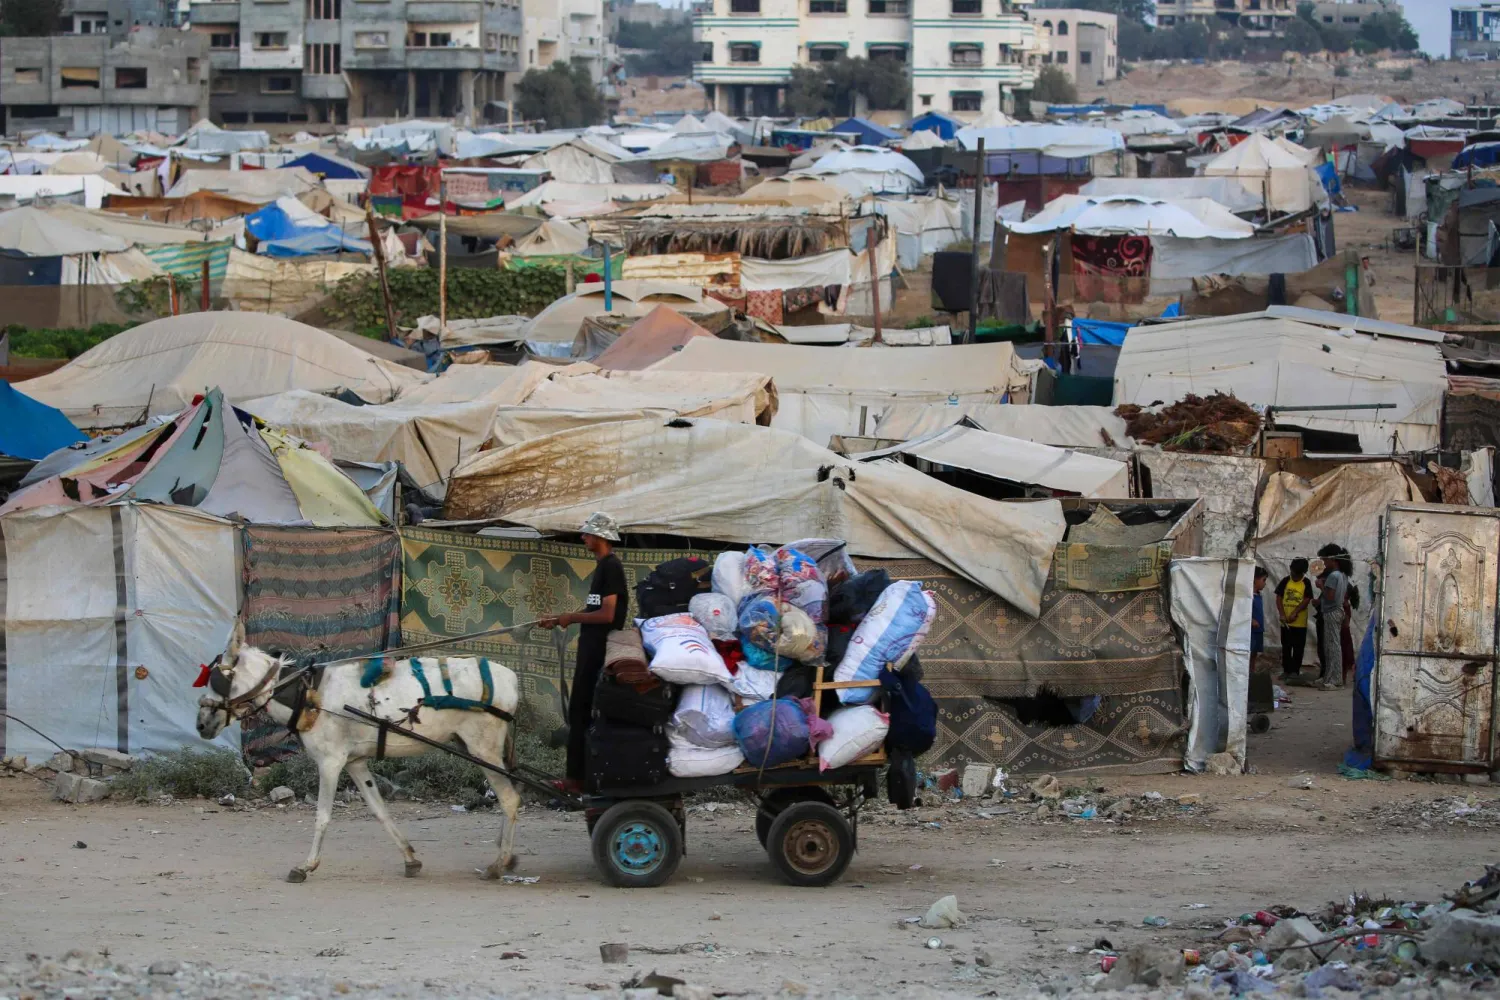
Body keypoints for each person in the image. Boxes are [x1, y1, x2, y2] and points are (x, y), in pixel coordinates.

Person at [538, 512, 629, 793]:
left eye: (588, 533)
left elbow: (608, 614)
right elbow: (594, 610)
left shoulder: (610, 568)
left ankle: (577, 781)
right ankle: (581, 778)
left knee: (581, 713)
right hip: (591, 648)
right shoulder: (602, 567)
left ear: (601, 537)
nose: (583, 537)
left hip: (599, 651)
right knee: (580, 713)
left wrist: (571, 618)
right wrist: (559, 618)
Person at [1274, 558, 1313, 683]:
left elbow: (1306, 600)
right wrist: (1282, 614)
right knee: (1286, 647)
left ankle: (1295, 671)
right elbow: (1279, 598)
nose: (1295, 576)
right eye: (1293, 573)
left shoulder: (1306, 582)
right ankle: (1286, 670)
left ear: (1304, 573)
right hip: (1285, 623)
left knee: (1298, 648)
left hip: (1299, 623)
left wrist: (1295, 612)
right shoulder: (1286, 581)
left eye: (1298, 574)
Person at [1317, 553, 1350, 690]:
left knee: (1332, 646)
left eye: (1325, 560)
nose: (1324, 563)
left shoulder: (1333, 576)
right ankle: (1329, 677)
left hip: (1332, 611)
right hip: (1338, 610)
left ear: (1333, 560)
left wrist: (1321, 586)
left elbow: (1330, 596)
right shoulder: (1343, 575)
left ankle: (1335, 680)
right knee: (1332, 645)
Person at [1251, 566, 1268, 664]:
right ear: (1254, 579)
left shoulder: (1258, 595)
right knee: (1249, 652)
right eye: (1263, 580)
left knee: (1254, 653)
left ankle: (1251, 672)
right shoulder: (1248, 596)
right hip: (1251, 631)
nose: (1265, 583)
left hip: (1258, 630)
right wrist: (1251, 620)